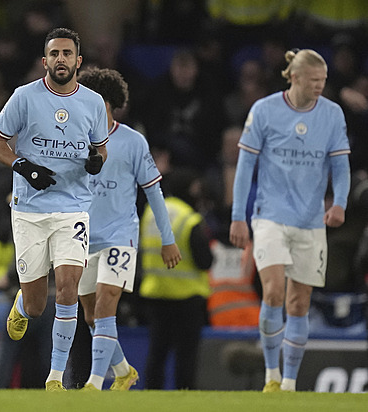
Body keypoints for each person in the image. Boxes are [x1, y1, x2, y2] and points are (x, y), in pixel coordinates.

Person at [0, 27, 109, 391]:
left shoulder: (93, 103)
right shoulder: (24, 97)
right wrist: (24, 166)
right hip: (29, 210)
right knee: (38, 304)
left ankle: (55, 377)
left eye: (67, 54)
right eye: (54, 54)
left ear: (78, 61)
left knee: (68, 287)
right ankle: (22, 306)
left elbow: (101, 151)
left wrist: (95, 163)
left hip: (72, 208)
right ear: (45, 61)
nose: (60, 60)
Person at [230, 49, 351, 393]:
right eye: (314, 81)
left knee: (299, 303)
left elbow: (340, 165)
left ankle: (289, 384)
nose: (320, 87)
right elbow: (245, 166)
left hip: (311, 222)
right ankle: (271, 375)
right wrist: (239, 216)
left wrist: (339, 202)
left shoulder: (332, 114)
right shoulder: (265, 111)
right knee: (273, 293)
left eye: (323, 82)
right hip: (270, 217)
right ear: (295, 77)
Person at [74, 67, 181, 391]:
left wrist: (168, 239)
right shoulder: (74, 140)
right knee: (92, 316)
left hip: (121, 235)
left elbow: (153, 191)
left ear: (110, 103)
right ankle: (122, 371)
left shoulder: (133, 142)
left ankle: (94, 384)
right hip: (82, 238)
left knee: (107, 303)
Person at [139, 168, 213, 390]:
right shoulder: (189, 218)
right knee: (186, 355)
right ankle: (184, 397)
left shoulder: (150, 213)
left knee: (157, 352)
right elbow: (204, 260)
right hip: (187, 297)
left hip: (156, 293)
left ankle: (151, 397)